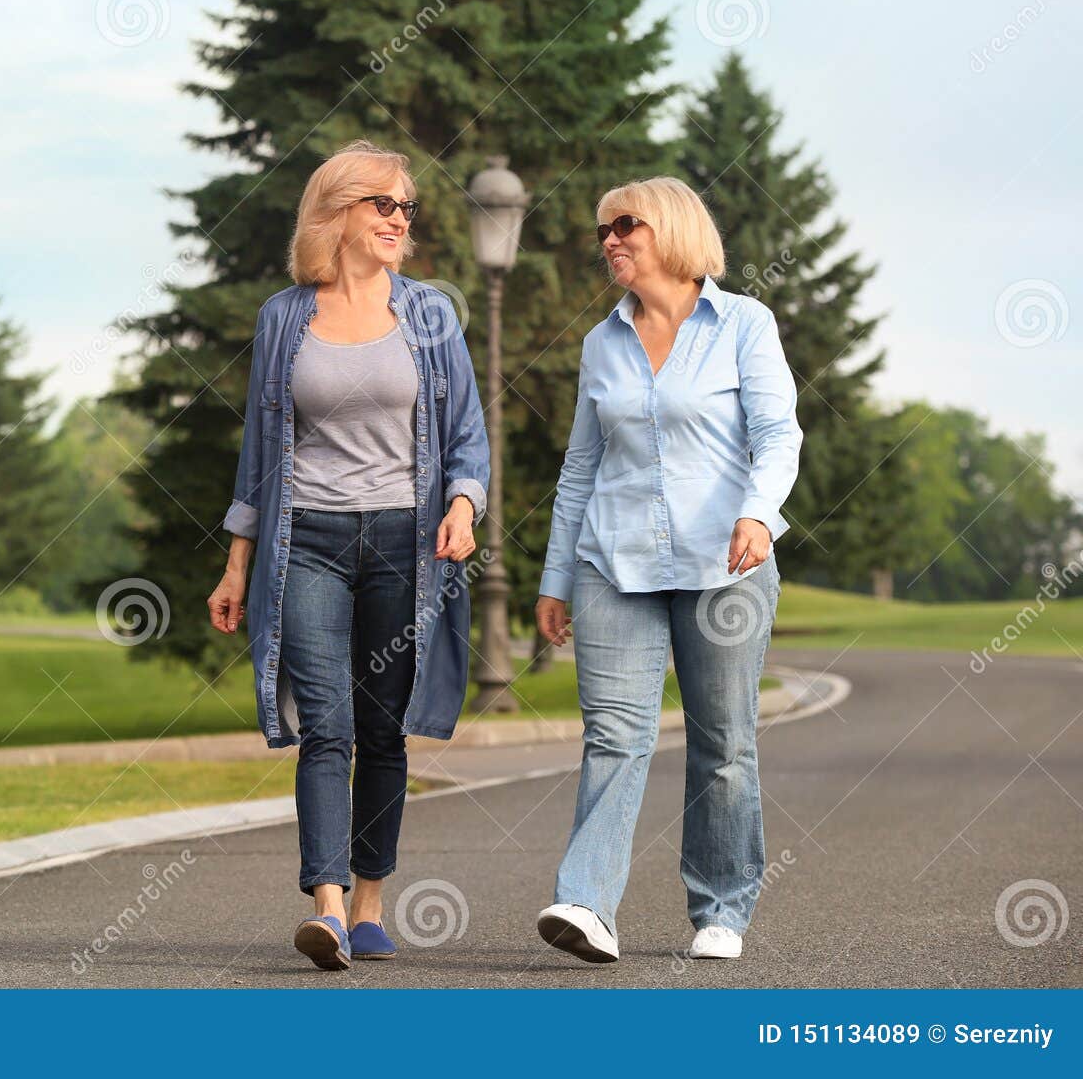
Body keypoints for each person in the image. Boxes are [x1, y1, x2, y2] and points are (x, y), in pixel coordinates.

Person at [208, 139, 489, 971]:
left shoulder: (432, 313)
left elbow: (467, 434)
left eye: (407, 207)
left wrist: (465, 506)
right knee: (323, 723)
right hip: (309, 541)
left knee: (382, 729)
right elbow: (260, 453)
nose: (401, 220)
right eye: (384, 205)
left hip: (406, 541)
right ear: (338, 214)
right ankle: (326, 904)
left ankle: (371, 901)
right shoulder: (285, 316)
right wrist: (235, 564)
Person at [533, 175, 802, 964]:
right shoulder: (601, 342)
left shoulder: (744, 323)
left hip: (725, 566)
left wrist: (758, 511)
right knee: (613, 735)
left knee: (723, 741)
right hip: (613, 564)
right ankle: (587, 904)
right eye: (603, 230)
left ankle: (720, 906)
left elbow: (778, 434)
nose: (610, 240)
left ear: (674, 230)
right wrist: (555, 577)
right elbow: (580, 468)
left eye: (626, 224)